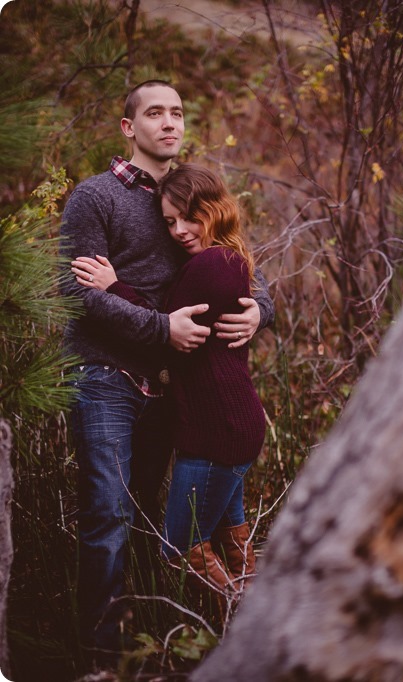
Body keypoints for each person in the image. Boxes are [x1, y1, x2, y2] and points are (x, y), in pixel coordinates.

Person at [60, 80, 274, 663]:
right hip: (107, 377)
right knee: (108, 511)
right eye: (154, 113)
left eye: (177, 112)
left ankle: (157, 639)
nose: (169, 122)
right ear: (129, 127)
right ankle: (102, 657)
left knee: (150, 520)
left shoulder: (188, 195)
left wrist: (261, 310)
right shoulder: (95, 197)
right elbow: (74, 291)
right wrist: (161, 331)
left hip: (168, 390)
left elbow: (239, 267)